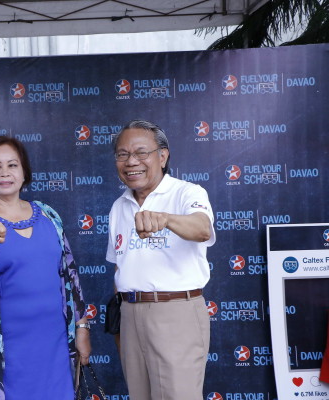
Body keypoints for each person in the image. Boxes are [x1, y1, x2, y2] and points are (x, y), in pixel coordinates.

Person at [0, 136, 91, 400]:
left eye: (12, 165)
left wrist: (82, 328)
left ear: (24, 172)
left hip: (55, 343)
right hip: (6, 349)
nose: (4, 173)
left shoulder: (48, 214)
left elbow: (71, 276)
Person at [106, 119, 216, 400]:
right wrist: (121, 323)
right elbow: (121, 267)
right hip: (131, 316)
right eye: (123, 154)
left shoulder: (187, 192)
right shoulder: (119, 206)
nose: (132, 162)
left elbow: (202, 229)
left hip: (175, 312)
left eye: (141, 152)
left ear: (162, 156)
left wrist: (165, 219)